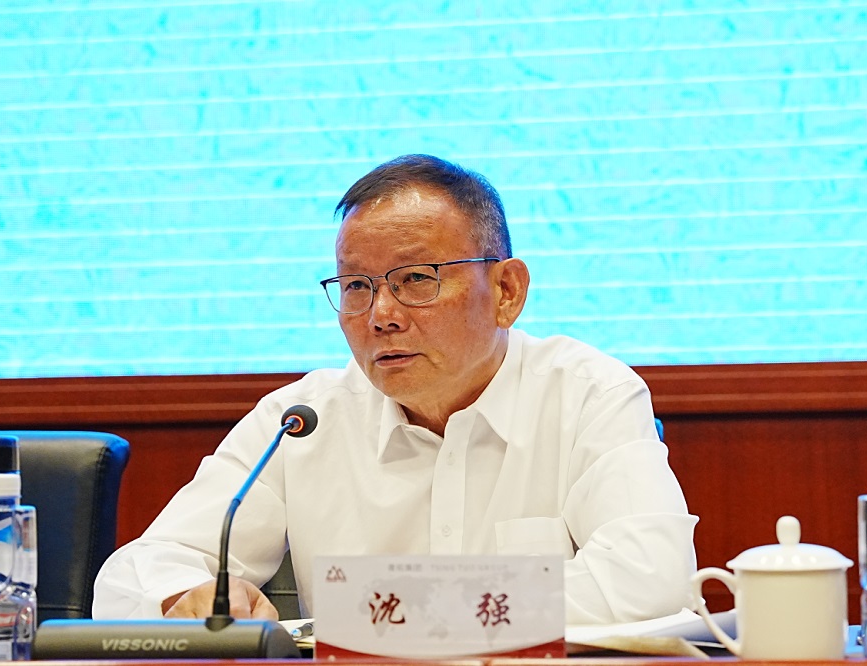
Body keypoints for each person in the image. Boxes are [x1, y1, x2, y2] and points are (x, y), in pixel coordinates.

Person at [92, 154, 698, 624]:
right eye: (357, 287)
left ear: (507, 292)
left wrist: (408, 614)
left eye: (416, 278)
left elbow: (651, 578)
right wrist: (184, 598)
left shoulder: (588, 395)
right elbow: (133, 574)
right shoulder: (301, 420)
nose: (381, 314)